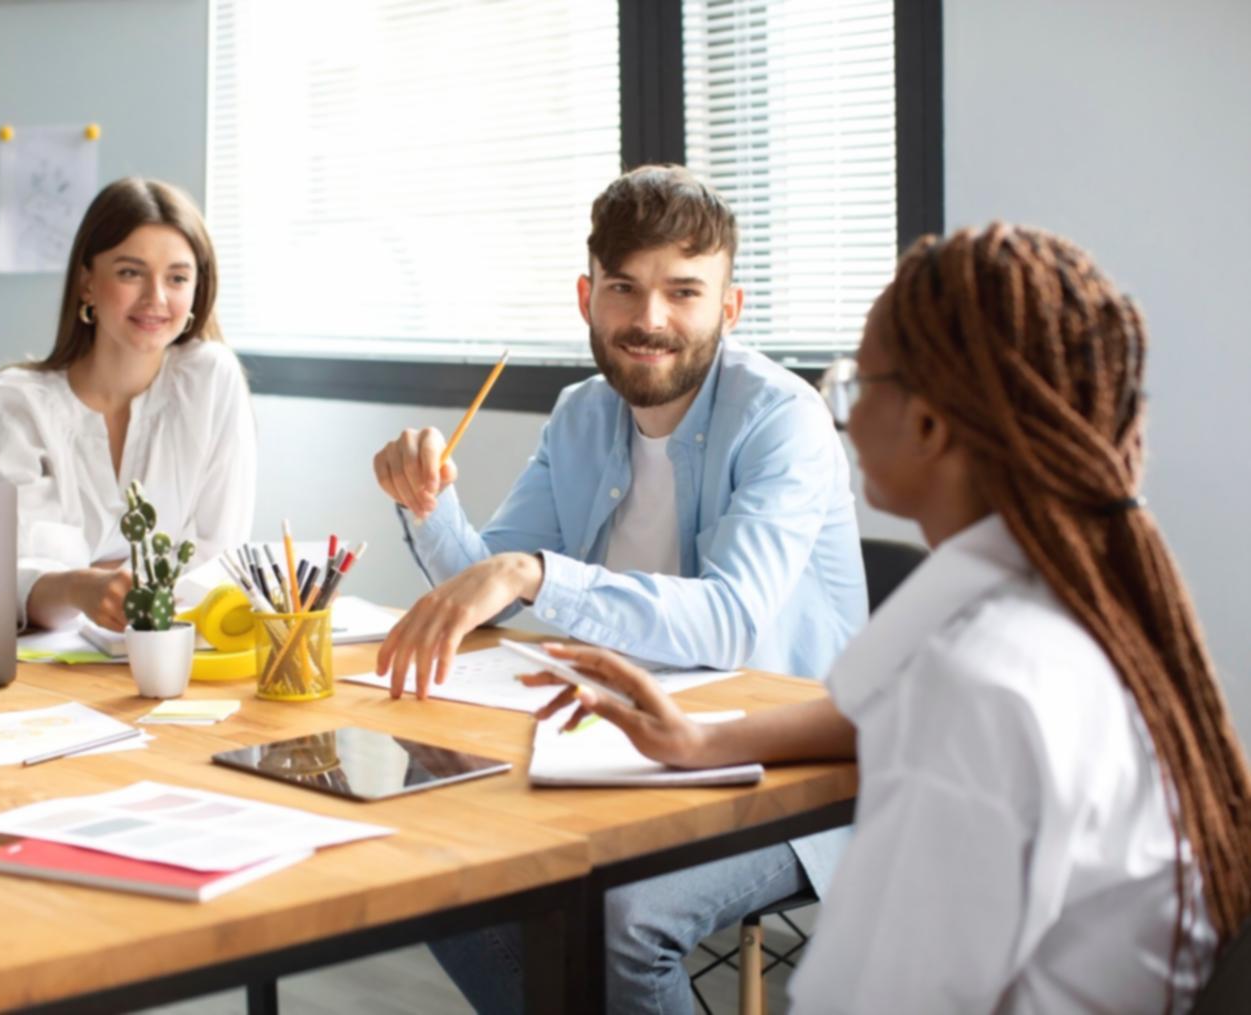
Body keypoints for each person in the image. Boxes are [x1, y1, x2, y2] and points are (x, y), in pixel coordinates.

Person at [530, 224, 1251, 1013]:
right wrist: (702, 740)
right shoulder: (1058, 605)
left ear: (928, 426)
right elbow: (869, 709)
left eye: (857, 381)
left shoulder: (980, 686)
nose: (839, 410)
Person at [381, 166, 867, 1013]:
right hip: (620, 741)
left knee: (620, 918)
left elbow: (729, 620)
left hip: (791, 768)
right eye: (624, 288)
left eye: (684, 291)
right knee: (434, 845)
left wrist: (531, 572)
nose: (649, 319)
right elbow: (487, 580)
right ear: (586, 297)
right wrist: (429, 508)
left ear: (730, 306)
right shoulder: (580, 412)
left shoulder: (780, 417)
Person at [0, 177, 256, 631]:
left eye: (177, 277)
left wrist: (63, 584)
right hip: (39, 670)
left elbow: (221, 558)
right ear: (87, 284)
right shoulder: (17, 403)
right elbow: (2, 580)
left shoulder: (211, 379)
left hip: (177, 652)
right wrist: (78, 589)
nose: (156, 298)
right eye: (130, 272)